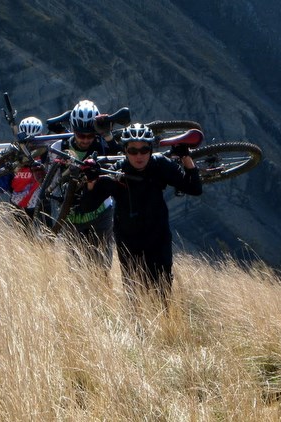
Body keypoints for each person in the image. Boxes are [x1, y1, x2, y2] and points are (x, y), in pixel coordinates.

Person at [79, 123, 202, 308]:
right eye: (133, 150)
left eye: (144, 149)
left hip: (157, 238)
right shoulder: (117, 171)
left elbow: (194, 188)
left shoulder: (160, 164)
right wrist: (91, 181)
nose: (139, 155)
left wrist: (185, 156)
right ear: (125, 150)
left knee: (162, 292)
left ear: (151, 149)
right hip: (129, 242)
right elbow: (88, 206)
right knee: (134, 294)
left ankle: (164, 332)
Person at [49, 100, 123, 271]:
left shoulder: (103, 145)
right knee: (76, 270)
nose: (86, 140)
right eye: (81, 135)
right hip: (72, 217)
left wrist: (108, 136)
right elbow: (51, 183)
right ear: (73, 131)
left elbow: (120, 159)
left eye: (91, 135)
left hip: (101, 213)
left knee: (102, 268)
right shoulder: (59, 147)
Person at [0, 116, 47, 226]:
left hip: (41, 201)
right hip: (18, 204)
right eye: (27, 141)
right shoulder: (12, 154)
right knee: (24, 238)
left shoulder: (46, 153)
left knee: (47, 235)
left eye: (35, 140)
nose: (31, 145)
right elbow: (1, 186)